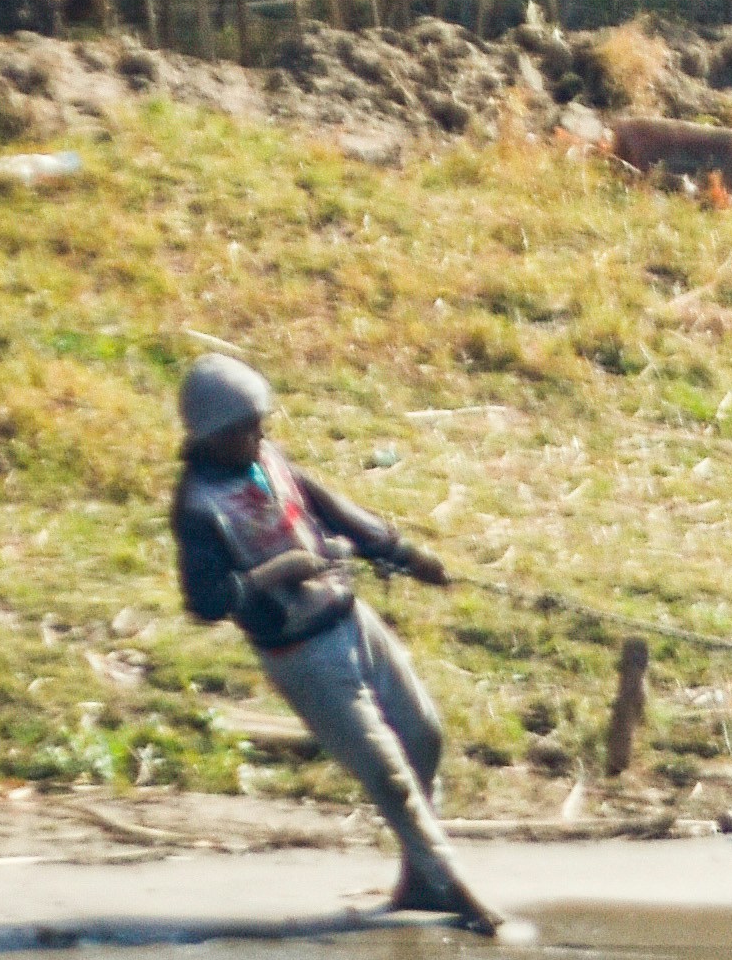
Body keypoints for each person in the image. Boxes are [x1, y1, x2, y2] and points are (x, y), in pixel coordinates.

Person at [169, 353, 493, 928]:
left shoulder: (265, 457)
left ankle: (419, 880)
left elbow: (331, 510)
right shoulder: (197, 507)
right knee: (388, 774)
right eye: (246, 427)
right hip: (301, 652)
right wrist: (276, 573)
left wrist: (404, 553)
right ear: (212, 437)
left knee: (423, 736)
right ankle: (451, 884)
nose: (259, 434)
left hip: (352, 617)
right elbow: (206, 601)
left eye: (259, 422)